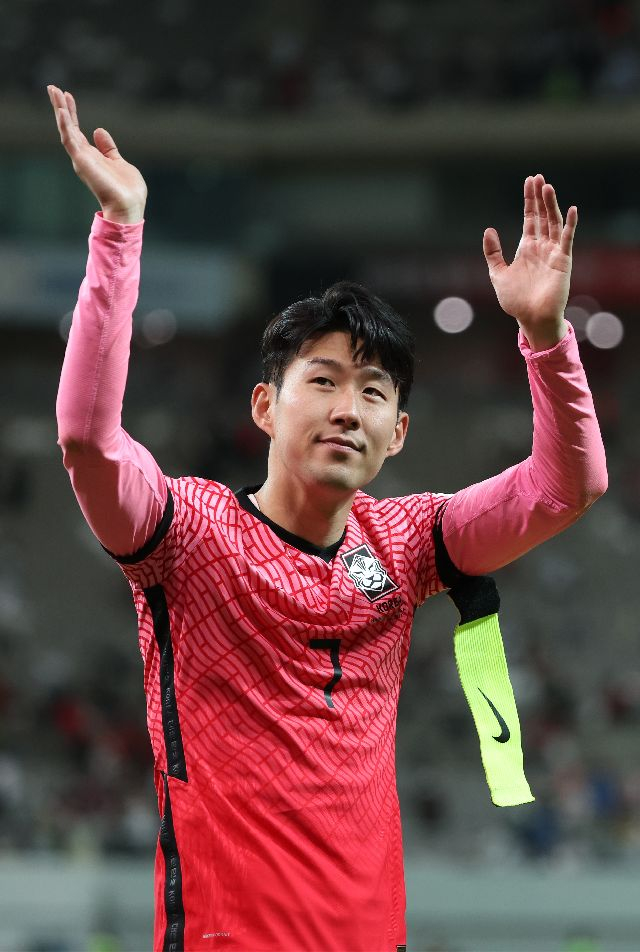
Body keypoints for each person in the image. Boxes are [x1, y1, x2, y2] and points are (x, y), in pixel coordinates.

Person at [48, 83, 607, 952]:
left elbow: (569, 486)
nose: (349, 409)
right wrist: (119, 229)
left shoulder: (409, 544)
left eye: (374, 392)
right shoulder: (186, 534)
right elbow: (88, 440)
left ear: (399, 433)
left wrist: (545, 335)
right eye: (323, 381)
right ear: (265, 406)